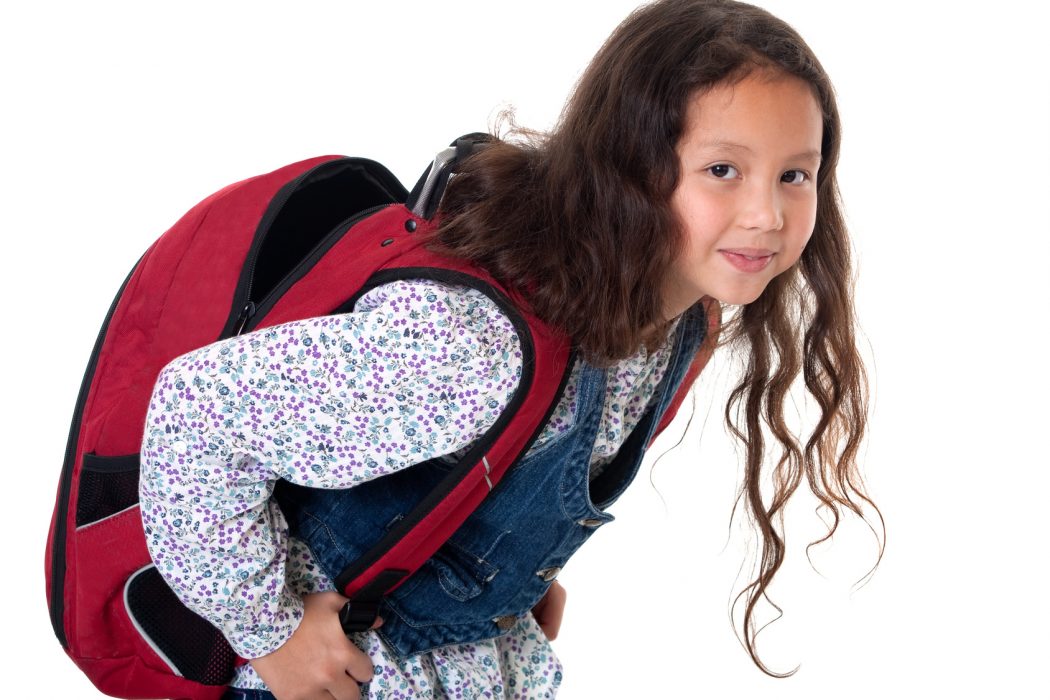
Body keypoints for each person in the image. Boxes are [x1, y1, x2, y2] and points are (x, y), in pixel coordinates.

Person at [139, 0, 878, 697]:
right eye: (723, 170)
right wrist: (269, 632)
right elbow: (195, 412)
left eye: (795, 175)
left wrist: (513, 567)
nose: (766, 214)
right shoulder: (470, 346)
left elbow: (510, 453)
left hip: (468, 657)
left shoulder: (684, 322)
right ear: (629, 170)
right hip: (343, 671)